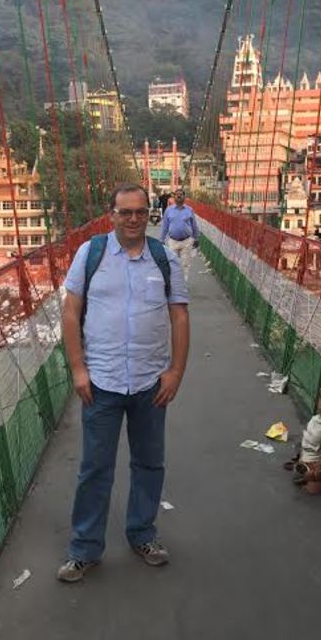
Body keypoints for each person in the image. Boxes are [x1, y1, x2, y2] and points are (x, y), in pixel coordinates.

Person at [57, 182, 190, 582]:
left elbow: (180, 317)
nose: (133, 219)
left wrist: (176, 373)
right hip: (102, 382)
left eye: (140, 212)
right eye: (125, 212)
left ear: (150, 215)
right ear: (111, 214)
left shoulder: (165, 260)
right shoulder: (90, 254)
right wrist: (78, 369)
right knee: (95, 468)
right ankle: (84, 549)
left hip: (151, 383)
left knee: (149, 463)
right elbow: (70, 312)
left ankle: (142, 534)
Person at [159, 189, 200, 281]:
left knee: (185, 264)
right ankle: (174, 284)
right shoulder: (168, 210)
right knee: (172, 263)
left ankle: (183, 285)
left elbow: (194, 225)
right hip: (173, 241)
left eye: (181, 194)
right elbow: (164, 226)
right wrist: (161, 240)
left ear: (184, 197)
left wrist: (196, 238)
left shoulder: (189, 210)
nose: (179, 196)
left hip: (187, 241)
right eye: (177, 194)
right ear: (174, 197)